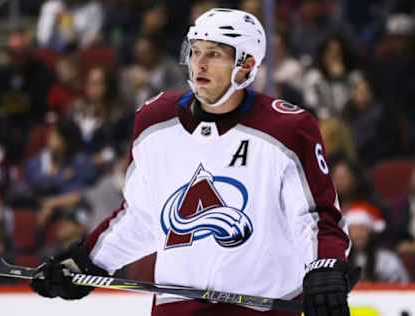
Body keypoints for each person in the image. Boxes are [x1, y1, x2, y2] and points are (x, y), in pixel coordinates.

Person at [30, 8, 354, 316]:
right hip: (177, 308)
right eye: (196, 51)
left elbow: (315, 218)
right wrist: (86, 263)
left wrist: (324, 267)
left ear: (247, 64)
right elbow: (144, 217)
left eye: (214, 54)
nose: (199, 64)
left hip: (260, 308)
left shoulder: (286, 129)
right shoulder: (154, 122)